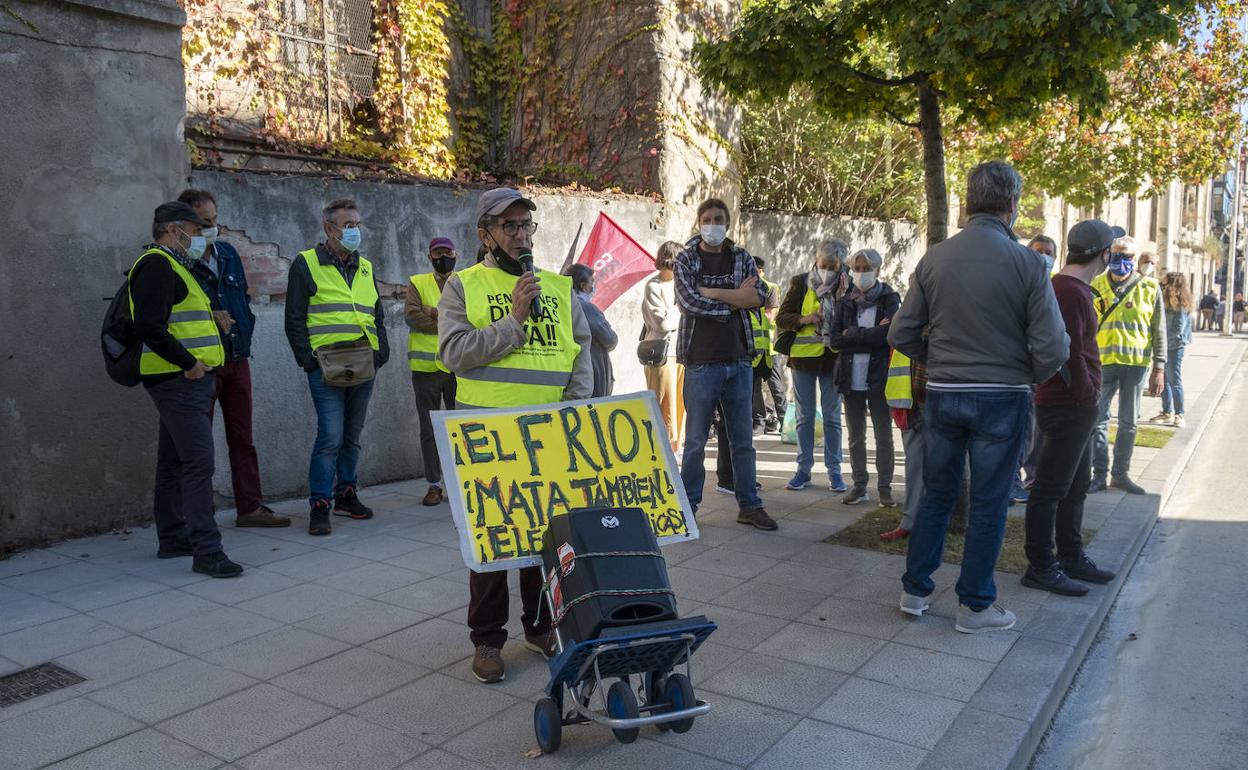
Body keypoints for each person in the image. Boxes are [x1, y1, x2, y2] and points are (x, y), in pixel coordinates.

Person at [890, 160, 1069, 634]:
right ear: (1012, 204)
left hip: (945, 392)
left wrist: (938, 357)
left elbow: (901, 332)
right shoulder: (1028, 263)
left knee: (936, 493)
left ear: (967, 203)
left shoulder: (935, 258)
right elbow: (1054, 346)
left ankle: (915, 589)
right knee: (990, 502)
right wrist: (1024, 373)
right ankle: (975, 606)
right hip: (1002, 395)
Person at [439, 187, 592, 684]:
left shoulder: (560, 288)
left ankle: (541, 626)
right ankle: (486, 639)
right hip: (486, 437)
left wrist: (572, 416)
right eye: (510, 226)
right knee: (491, 541)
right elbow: (454, 354)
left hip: (547, 438)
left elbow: (579, 359)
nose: (521, 234)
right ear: (486, 234)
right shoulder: (463, 285)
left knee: (543, 538)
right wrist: (515, 320)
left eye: (527, 225)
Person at [129, 202, 242, 578]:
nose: (199, 237)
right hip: (178, 380)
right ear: (173, 230)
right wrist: (189, 363)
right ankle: (207, 551)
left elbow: (177, 317)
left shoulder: (175, 266)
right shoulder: (157, 265)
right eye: (195, 230)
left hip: (182, 379)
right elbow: (149, 326)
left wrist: (213, 319)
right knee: (198, 464)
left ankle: (174, 537)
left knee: (174, 459)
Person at [177, 190, 289, 529]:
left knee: (243, 436)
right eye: (204, 222)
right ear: (185, 224)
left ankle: (250, 507)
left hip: (237, 357)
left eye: (215, 219)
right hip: (201, 363)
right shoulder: (176, 259)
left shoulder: (227, 253)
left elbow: (240, 295)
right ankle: (197, 515)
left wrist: (245, 321)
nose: (213, 227)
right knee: (197, 447)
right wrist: (211, 314)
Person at [1022, 220, 1119, 596]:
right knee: (1050, 489)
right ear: (1103, 254)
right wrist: (1086, 391)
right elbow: (1069, 351)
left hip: (1072, 404)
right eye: (1112, 249)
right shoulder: (1070, 291)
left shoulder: (1071, 288)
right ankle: (1041, 566)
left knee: (1074, 486)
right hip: (1066, 405)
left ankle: (1071, 556)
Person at [284, 199, 389, 535]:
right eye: (348, 225)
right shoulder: (306, 264)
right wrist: (308, 361)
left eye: (357, 224)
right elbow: (295, 318)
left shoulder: (366, 267)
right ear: (329, 228)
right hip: (326, 366)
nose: (355, 231)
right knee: (329, 436)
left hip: (363, 364)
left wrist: (380, 352)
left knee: (352, 436)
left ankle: (346, 493)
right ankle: (319, 504)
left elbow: (377, 313)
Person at [675, 198, 775, 531]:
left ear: (727, 223)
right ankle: (688, 506)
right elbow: (688, 302)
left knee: (743, 440)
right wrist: (734, 299)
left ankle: (749, 504)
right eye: (708, 219)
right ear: (698, 223)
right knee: (694, 442)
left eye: (719, 219)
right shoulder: (686, 258)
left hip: (739, 361)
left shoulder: (741, 256)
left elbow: (757, 297)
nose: (713, 224)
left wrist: (713, 293)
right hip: (701, 362)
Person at [1088, 234, 1165, 495]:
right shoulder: (1096, 284)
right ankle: (1099, 474)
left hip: (1136, 364)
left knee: (1129, 422)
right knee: (1097, 421)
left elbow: (1159, 329)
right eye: (1117, 254)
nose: (1122, 260)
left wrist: (1160, 367)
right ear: (1109, 255)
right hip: (1102, 363)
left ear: (1136, 258)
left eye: (1128, 256)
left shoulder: (1150, 287)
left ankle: (1120, 474)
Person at [826, 248, 899, 506]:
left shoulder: (889, 298)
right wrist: (867, 334)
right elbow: (835, 340)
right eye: (856, 268)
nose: (860, 274)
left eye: (866, 268)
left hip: (878, 377)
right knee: (856, 435)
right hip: (850, 376)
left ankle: (885, 487)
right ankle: (859, 484)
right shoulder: (845, 301)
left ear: (877, 270)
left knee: (883, 434)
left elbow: (889, 335)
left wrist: (852, 334)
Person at [776, 239, 848, 493]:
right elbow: (781, 317)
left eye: (832, 265)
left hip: (833, 358)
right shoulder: (800, 282)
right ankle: (803, 470)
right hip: (803, 358)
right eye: (823, 264)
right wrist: (805, 319)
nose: (827, 269)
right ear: (815, 260)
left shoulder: (846, 286)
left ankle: (835, 471)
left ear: (841, 265)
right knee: (804, 417)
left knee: (832, 417)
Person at [405, 237, 459, 506]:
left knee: (460, 428)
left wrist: (433, 312)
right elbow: (412, 316)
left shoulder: (466, 282)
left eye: (446, 253)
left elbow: (471, 317)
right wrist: (448, 320)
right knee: (428, 429)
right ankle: (434, 485)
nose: (442, 257)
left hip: (457, 367)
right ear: (430, 256)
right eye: (437, 253)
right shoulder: (417, 282)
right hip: (425, 369)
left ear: (455, 254)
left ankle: (461, 483)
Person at [642, 241, 684, 452]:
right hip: (661, 353)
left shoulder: (682, 285)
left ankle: (676, 448)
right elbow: (663, 324)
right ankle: (660, 449)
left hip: (682, 352)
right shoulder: (654, 286)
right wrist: (680, 308)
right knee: (663, 405)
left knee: (680, 406)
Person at [567, 264, 617, 397]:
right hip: (591, 376)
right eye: (591, 283)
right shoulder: (586, 308)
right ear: (583, 286)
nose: (593, 287)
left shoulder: (561, 304)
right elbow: (610, 339)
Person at [1152, 272, 1193, 428]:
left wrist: (1162, 340)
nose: (1162, 286)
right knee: (1165, 378)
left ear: (1172, 285)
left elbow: (1178, 328)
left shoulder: (1179, 304)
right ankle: (1167, 411)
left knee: (1174, 380)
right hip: (1166, 345)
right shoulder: (1168, 300)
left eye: (1164, 284)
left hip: (1174, 346)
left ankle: (1179, 414)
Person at [751, 256, 786, 434]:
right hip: (751, 348)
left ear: (761, 271)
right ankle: (759, 422)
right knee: (754, 387)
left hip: (769, 348)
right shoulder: (744, 289)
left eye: (756, 269)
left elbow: (770, 315)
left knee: (776, 387)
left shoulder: (769, 288)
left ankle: (784, 421)